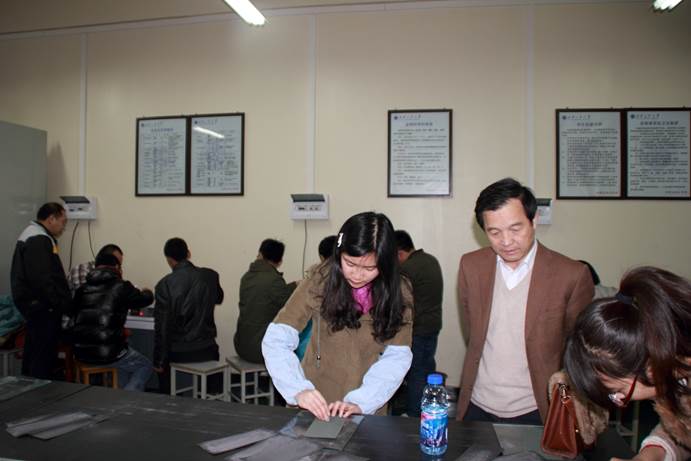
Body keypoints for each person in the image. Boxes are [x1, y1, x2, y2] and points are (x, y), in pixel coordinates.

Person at [456, 178, 594, 423]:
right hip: (477, 402)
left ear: (534, 220)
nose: (506, 241)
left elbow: (577, 349)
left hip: (538, 406)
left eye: (515, 228)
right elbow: (473, 333)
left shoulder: (571, 275)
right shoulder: (471, 266)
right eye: (494, 232)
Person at [262, 212, 413, 421]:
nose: (357, 275)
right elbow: (277, 338)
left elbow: (397, 357)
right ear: (339, 253)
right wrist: (298, 389)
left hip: (368, 401)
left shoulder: (399, 292)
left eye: (370, 268)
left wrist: (363, 401)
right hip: (316, 397)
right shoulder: (320, 279)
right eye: (350, 264)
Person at [564, 266, 690, 461]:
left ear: (651, 366)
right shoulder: (676, 375)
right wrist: (647, 457)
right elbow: (683, 428)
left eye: (618, 392)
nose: (619, 399)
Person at [72, 253, 154, 391]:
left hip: (80, 352)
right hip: (108, 353)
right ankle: (126, 398)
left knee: (123, 358)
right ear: (116, 267)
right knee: (144, 366)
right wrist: (147, 292)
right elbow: (144, 300)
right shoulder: (121, 286)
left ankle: (118, 393)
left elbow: (74, 314)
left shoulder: (82, 289)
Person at [10, 202, 72, 379]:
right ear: (51, 218)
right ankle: (40, 392)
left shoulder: (33, 234)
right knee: (42, 358)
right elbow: (42, 279)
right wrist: (57, 304)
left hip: (35, 306)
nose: (63, 226)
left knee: (34, 353)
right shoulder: (38, 239)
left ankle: (30, 388)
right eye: (62, 221)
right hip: (43, 308)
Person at [153, 238, 224, 393]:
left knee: (163, 375)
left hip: (179, 351)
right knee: (214, 376)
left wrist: (159, 362)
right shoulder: (210, 276)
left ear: (169, 260)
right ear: (188, 253)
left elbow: (162, 329)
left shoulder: (164, 285)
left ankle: (167, 401)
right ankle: (212, 397)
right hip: (207, 348)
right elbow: (219, 298)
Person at [394, 229, 443, 417]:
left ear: (399, 253)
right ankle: (426, 408)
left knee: (416, 373)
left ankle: (415, 414)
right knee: (426, 369)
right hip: (432, 325)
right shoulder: (431, 260)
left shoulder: (407, 269)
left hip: (416, 329)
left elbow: (399, 302)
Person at [234, 239, 297, 364]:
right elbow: (286, 304)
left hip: (241, 345)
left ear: (260, 254)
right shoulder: (274, 280)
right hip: (260, 349)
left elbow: (267, 295)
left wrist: (292, 286)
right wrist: (297, 286)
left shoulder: (247, 277)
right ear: (279, 261)